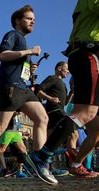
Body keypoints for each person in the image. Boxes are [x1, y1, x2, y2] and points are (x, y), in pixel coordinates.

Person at [0, 5, 58, 185]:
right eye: (28, 18)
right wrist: (29, 52)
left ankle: (39, 161)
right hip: (10, 87)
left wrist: (29, 66)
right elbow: (2, 55)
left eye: (33, 19)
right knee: (0, 127)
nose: (32, 21)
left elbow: (18, 65)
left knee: (42, 118)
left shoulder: (23, 41)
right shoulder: (12, 35)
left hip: (23, 87)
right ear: (18, 21)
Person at [59, 0, 99, 177]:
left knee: (97, 129)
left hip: (86, 53)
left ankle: (76, 164)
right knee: (86, 112)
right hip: (88, 52)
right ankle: (44, 153)